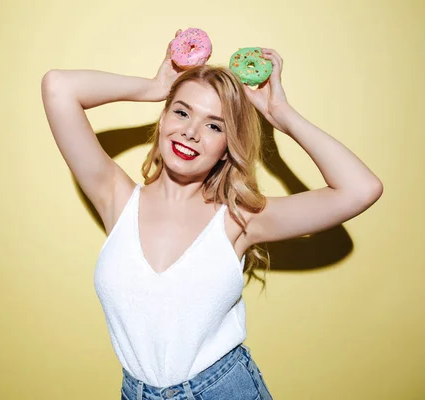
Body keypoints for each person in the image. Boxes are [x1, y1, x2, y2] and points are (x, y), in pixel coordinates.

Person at [40, 31, 382, 400]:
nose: (191, 132)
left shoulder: (240, 219)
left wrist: (281, 115)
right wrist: (155, 87)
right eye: (182, 111)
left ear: (225, 149)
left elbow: (360, 189)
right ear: (164, 117)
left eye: (214, 125)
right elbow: (58, 87)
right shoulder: (116, 198)